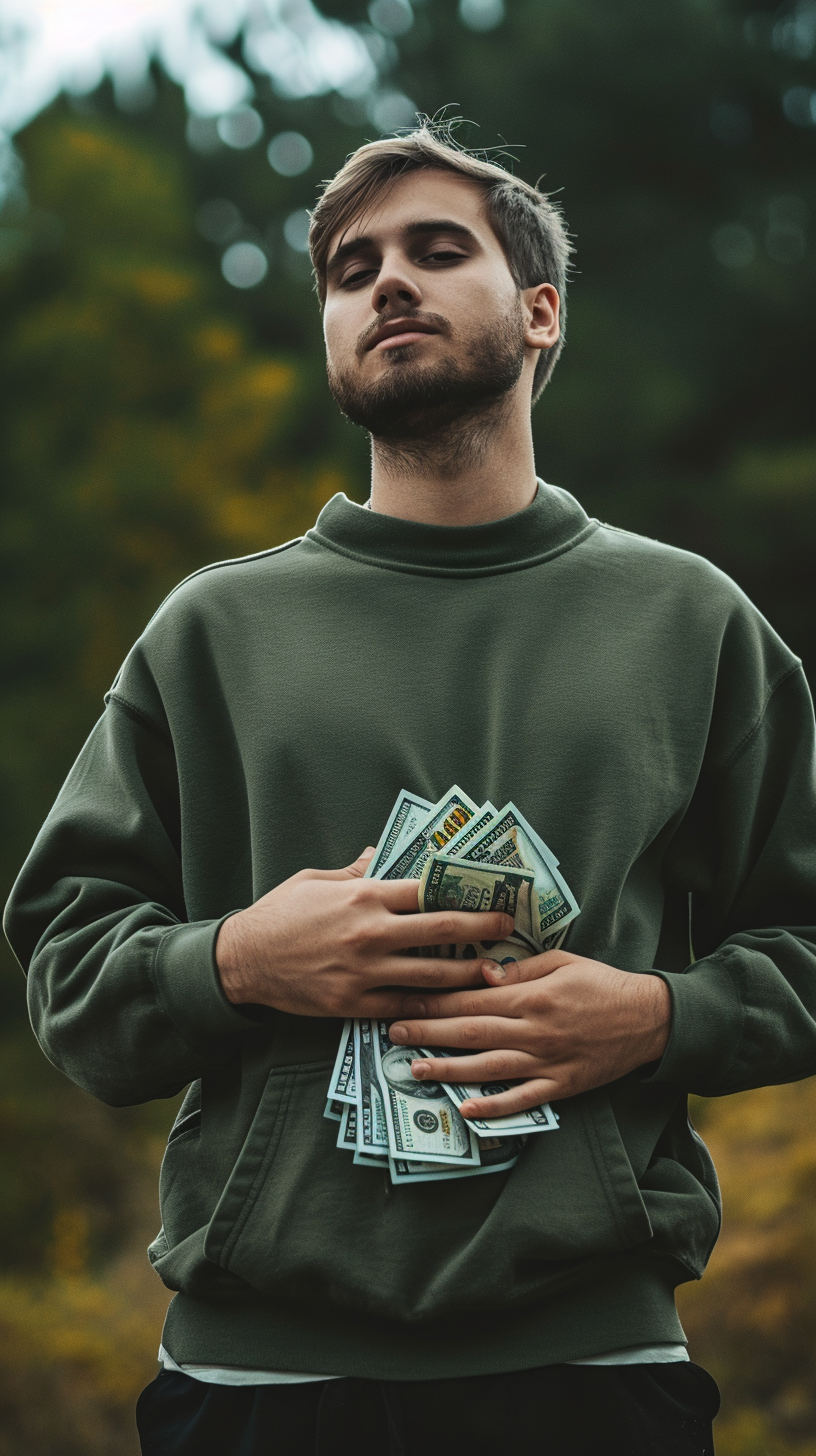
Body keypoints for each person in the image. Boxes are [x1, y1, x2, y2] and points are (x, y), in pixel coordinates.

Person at [5, 122, 816, 1456]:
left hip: (594, 1366)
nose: (386, 281)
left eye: (439, 251)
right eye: (348, 267)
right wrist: (240, 962)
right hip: (255, 1384)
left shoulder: (691, 622)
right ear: (328, 331)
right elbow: (66, 972)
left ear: (541, 311)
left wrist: (660, 1015)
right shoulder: (211, 632)